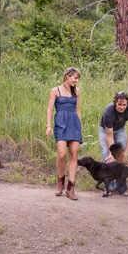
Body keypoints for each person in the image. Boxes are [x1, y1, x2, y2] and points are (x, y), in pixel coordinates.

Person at [46, 67, 82, 200]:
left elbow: (78, 110)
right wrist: (48, 126)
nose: (76, 80)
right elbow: (50, 110)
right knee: (61, 154)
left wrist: (80, 126)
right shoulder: (55, 90)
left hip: (74, 124)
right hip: (61, 123)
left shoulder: (77, 91)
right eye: (75, 77)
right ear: (67, 76)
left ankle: (71, 188)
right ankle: (60, 183)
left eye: (77, 78)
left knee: (74, 154)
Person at [99, 91, 128, 196]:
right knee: (107, 156)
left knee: (122, 158)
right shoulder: (108, 112)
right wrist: (112, 154)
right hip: (105, 131)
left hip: (120, 129)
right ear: (115, 103)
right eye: (119, 105)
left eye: (124, 105)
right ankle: (108, 188)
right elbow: (109, 136)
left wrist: (126, 151)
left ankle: (121, 187)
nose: (122, 107)